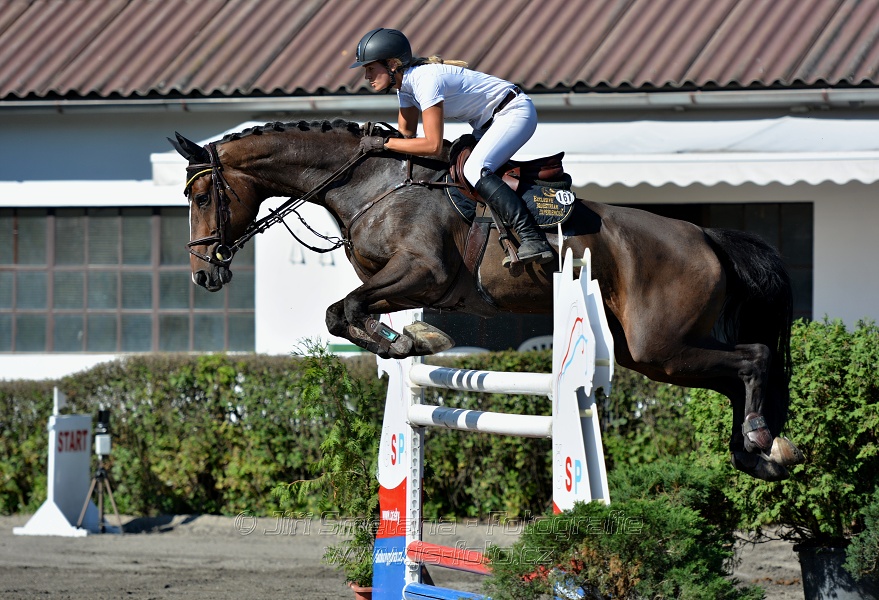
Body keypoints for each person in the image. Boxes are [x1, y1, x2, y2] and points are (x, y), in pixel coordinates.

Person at [350, 28, 554, 267]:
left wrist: (383, 143)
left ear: (393, 64)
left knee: (474, 169)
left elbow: (432, 145)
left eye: (370, 68)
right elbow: (405, 135)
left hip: (514, 112)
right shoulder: (404, 88)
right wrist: (378, 138)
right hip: (487, 123)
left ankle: (532, 237)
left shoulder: (425, 80)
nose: (367, 77)